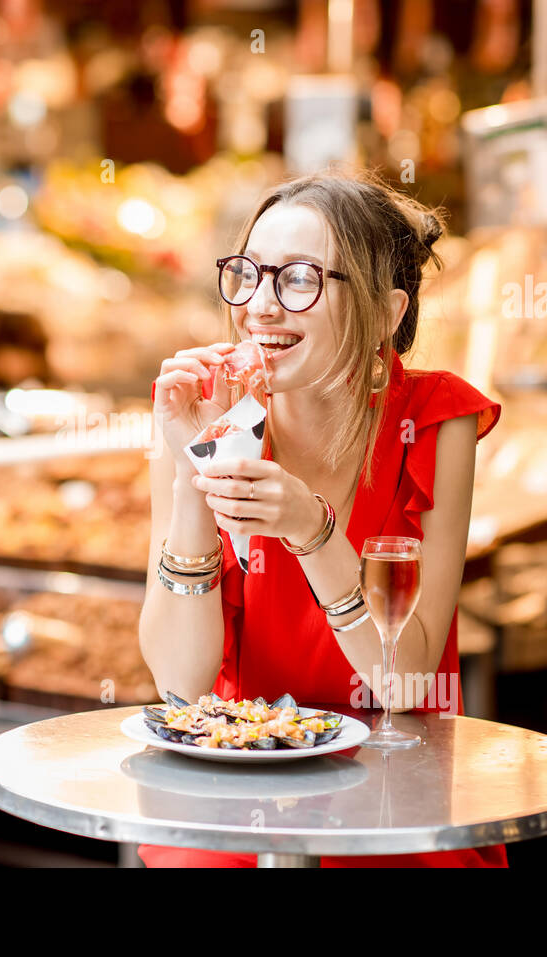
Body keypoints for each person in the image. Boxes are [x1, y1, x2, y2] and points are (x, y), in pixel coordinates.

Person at [139, 168, 508, 867]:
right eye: (248, 274)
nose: (260, 307)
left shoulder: (435, 421)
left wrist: (313, 532)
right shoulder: (206, 402)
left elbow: (403, 681)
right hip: (238, 792)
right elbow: (180, 685)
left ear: (384, 312)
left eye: (299, 280)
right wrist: (193, 466)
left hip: (390, 797)